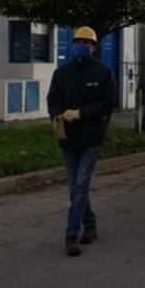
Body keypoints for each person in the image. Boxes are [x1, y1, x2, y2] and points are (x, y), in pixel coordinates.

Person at [47, 26, 117, 257]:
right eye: (78, 42)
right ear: (72, 44)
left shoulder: (103, 73)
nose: (82, 46)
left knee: (80, 186)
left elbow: (108, 103)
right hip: (68, 138)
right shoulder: (62, 74)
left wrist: (81, 113)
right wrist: (56, 116)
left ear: (94, 47)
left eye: (87, 43)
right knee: (75, 188)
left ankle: (71, 234)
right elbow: (53, 99)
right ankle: (90, 225)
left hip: (91, 138)